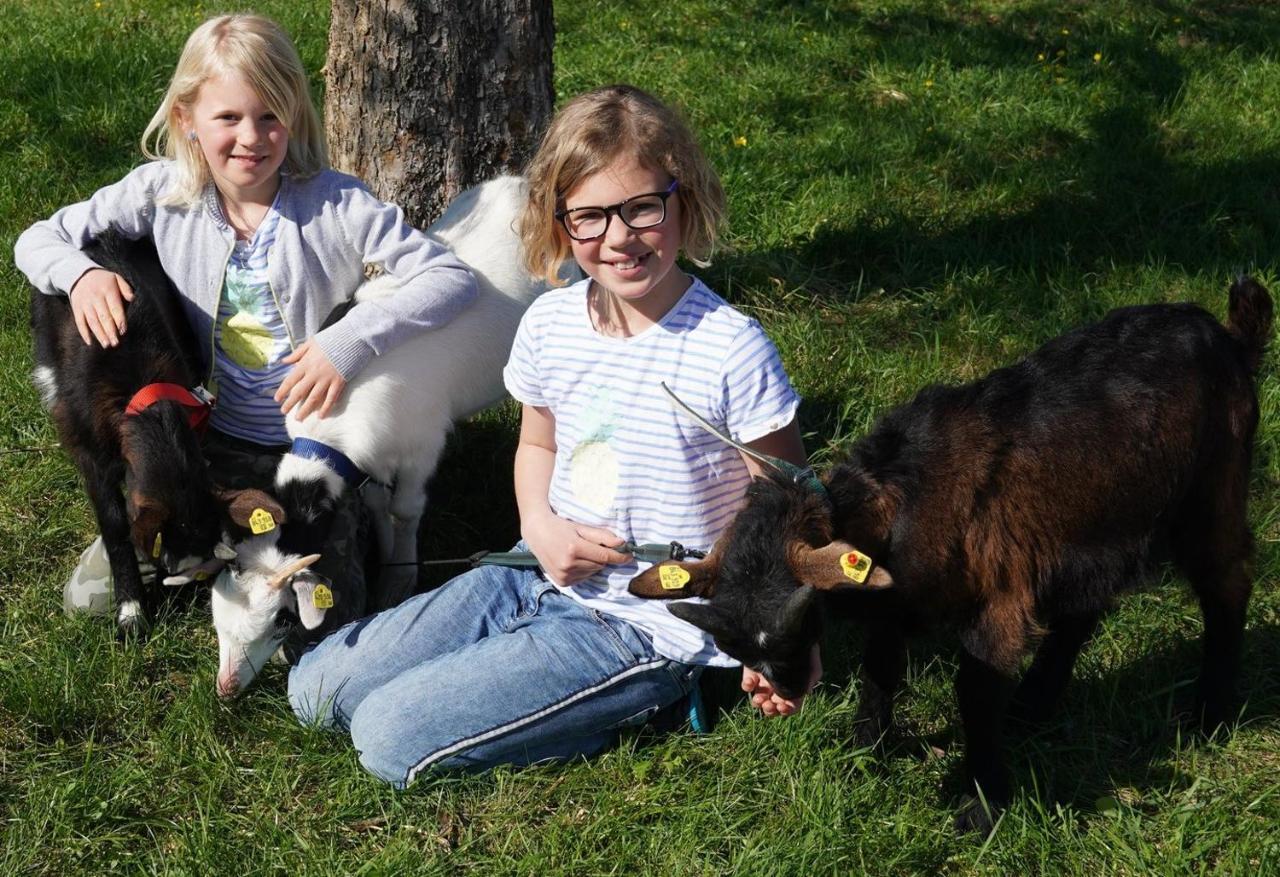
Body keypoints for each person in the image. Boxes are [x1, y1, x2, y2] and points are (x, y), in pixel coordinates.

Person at [287, 84, 820, 787]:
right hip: (534, 570)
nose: (620, 237)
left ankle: (665, 698)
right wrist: (537, 524)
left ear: (681, 200)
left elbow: (788, 508)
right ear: (560, 223)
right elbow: (536, 445)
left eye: (642, 208)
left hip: (650, 622)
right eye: (591, 217)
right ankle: (519, 655)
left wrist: (781, 637)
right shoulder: (550, 323)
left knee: (387, 739)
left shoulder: (730, 348)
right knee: (315, 690)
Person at [14, 13, 476, 613]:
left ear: (293, 116)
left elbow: (449, 277)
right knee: (94, 598)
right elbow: (35, 240)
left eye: (269, 116)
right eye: (228, 118)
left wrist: (350, 341)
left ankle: (346, 517)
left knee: (320, 616)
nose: (251, 137)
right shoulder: (163, 193)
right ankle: (230, 553)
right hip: (218, 437)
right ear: (187, 120)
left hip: (319, 440)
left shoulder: (336, 202)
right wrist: (80, 275)